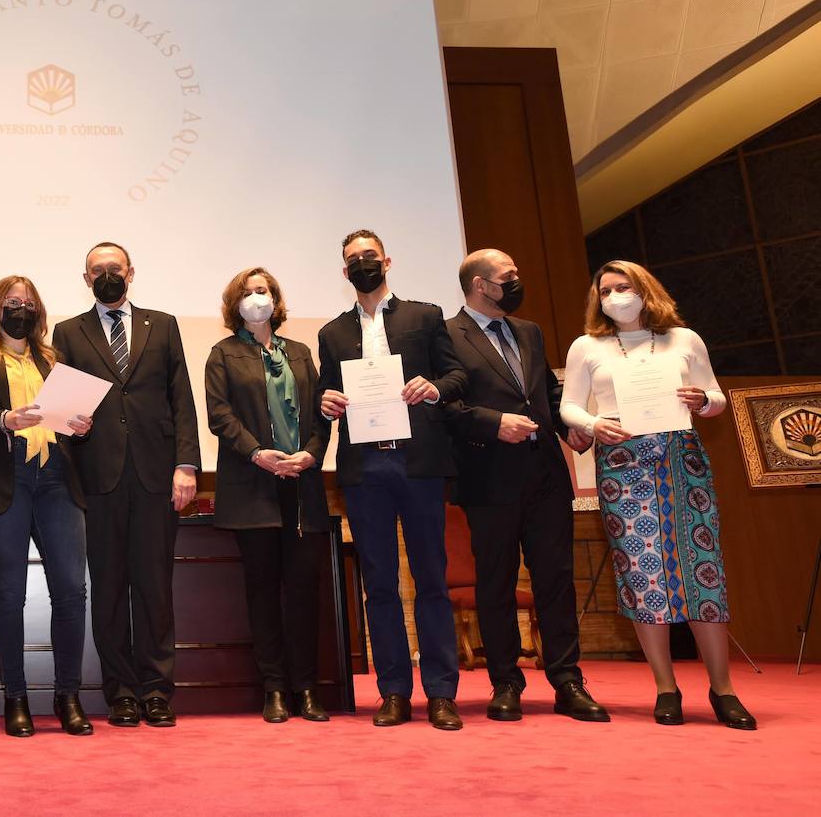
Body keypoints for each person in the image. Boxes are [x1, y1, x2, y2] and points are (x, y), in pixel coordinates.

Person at [561, 260, 755, 730]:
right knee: (642, 572)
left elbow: (715, 396)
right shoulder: (587, 346)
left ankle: (722, 689)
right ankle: (666, 687)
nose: (614, 296)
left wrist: (701, 401)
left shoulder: (683, 339)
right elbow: (569, 405)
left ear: (644, 290)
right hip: (623, 465)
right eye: (605, 290)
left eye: (623, 287)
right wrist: (593, 423)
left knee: (701, 570)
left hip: (681, 459)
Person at [443, 249, 609, 723]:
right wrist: (493, 423)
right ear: (479, 285)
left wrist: (568, 424)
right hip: (487, 477)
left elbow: (547, 392)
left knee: (556, 579)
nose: (517, 281)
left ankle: (567, 681)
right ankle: (506, 682)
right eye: (507, 276)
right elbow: (442, 406)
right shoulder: (447, 334)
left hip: (545, 476)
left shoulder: (529, 331)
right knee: (495, 582)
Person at [317, 228, 465, 730]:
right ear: (344, 273)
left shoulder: (424, 316)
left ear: (386, 261)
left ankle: (442, 692)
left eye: (369, 256)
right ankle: (394, 692)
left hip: (418, 462)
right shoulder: (332, 333)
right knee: (378, 584)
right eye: (353, 260)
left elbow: (457, 376)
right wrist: (326, 401)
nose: (362, 264)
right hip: (364, 468)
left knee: (431, 579)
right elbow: (325, 392)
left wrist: (434, 387)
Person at [52, 242, 200, 727]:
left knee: (155, 587)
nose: (108, 275)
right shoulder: (69, 332)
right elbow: (62, 411)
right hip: (99, 479)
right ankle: (120, 693)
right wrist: (70, 429)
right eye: (98, 270)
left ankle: (157, 690)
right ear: (85, 278)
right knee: (110, 588)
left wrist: (187, 465)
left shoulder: (164, 324)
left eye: (115, 268)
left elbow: (182, 398)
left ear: (131, 272)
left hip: (158, 476)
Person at [0, 275, 94, 737]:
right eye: (12, 302)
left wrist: (81, 426)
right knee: (9, 593)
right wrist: (4, 419)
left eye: (28, 303)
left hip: (56, 481)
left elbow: (70, 421)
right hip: (3, 481)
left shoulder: (53, 360)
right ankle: (15, 697)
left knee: (71, 590)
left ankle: (68, 696)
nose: (21, 309)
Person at [204, 268, 331, 724]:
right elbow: (219, 415)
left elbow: (320, 413)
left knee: (302, 592)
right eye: (248, 291)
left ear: (275, 299)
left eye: (264, 290)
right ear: (234, 301)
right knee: (262, 592)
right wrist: (258, 453)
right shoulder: (223, 354)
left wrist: (312, 454)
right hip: (252, 484)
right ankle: (275, 687)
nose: (257, 298)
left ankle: (307, 688)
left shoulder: (298, 352)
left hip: (301, 483)